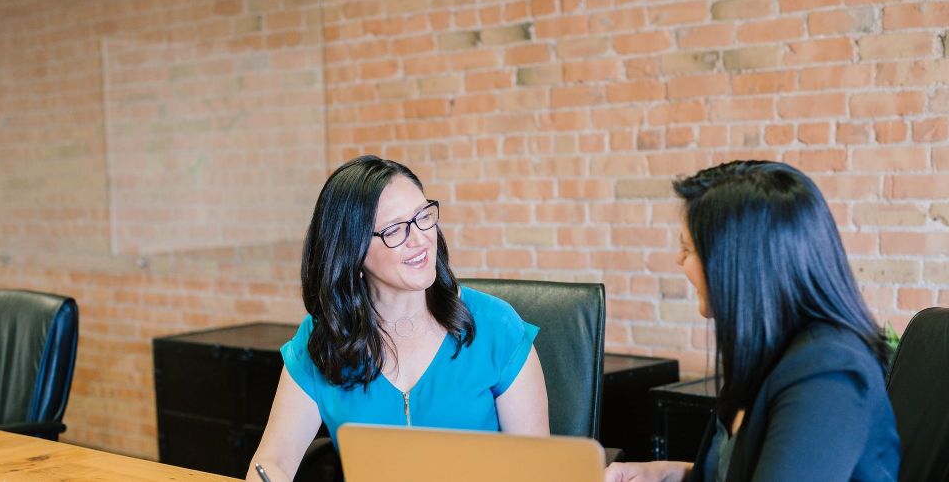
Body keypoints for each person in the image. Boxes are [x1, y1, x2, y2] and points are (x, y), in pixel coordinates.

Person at [247, 156, 548, 482]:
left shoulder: (496, 327)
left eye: (422, 217)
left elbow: (537, 471)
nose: (420, 239)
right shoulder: (322, 342)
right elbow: (271, 462)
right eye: (395, 230)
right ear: (353, 249)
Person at [606, 161, 900, 482]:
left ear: (737, 263)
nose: (679, 260)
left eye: (688, 248)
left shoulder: (828, 375)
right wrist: (663, 473)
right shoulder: (765, 351)